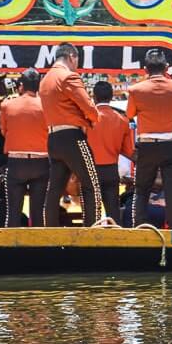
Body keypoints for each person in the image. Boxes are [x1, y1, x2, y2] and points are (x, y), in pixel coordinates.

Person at [127, 49, 172, 229]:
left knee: (141, 190)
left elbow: (130, 114)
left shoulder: (135, 90)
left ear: (145, 70)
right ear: (166, 68)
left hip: (147, 146)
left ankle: (139, 227)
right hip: (171, 145)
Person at [40, 43, 102, 227]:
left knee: (55, 189)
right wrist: (93, 118)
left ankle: (49, 229)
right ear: (71, 56)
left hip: (53, 138)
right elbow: (89, 107)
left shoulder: (45, 80)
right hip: (72, 138)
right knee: (92, 183)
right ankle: (93, 228)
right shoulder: (68, 77)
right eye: (77, 61)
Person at [0, 68, 50, 227]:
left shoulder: (7, 104)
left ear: (21, 85)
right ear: (39, 86)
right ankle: (38, 247)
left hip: (16, 162)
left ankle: (13, 248)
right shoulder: (47, 106)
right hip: (41, 161)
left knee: (13, 212)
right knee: (38, 211)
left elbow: (3, 131)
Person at [86, 80, 134, 222]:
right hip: (111, 170)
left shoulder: (86, 119)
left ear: (93, 96)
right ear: (112, 96)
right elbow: (128, 151)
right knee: (113, 213)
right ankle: (114, 242)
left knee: (91, 214)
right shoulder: (122, 120)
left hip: (90, 171)